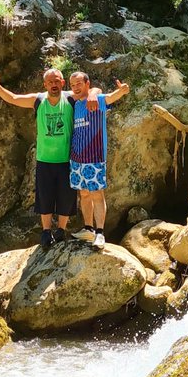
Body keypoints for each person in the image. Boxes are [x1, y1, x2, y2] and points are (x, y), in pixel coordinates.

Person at [0, 68, 99, 248]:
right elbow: (14, 99)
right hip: (45, 159)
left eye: (57, 81)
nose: (54, 84)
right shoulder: (38, 100)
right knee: (45, 196)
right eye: (50, 82)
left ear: (62, 83)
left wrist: (92, 95)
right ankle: (46, 232)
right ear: (45, 84)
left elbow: (94, 90)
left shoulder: (70, 98)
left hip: (66, 159)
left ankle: (61, 230)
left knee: (66, 197)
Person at [68, 71, 129, 249]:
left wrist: (122, 91)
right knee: (84, 193)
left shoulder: (98, 99)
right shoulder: (75, 104)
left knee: (96, 194)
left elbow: (111, 96)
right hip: (77, 158)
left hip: (94, 157)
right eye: (72, 85)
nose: (75, 88)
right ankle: (88, 229)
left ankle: (100, 233)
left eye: (79, 83)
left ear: (87, 84)